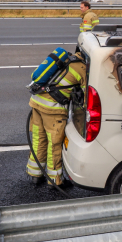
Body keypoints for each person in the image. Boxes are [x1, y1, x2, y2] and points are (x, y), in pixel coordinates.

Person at [26, 52, 88, 186]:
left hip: (36, 101)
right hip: (52, 109)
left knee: (38, 138)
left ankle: (35, 174)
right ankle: (55, 181)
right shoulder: (82, 68)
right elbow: (88, 97)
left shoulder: (66, 58)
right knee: (54, 144)